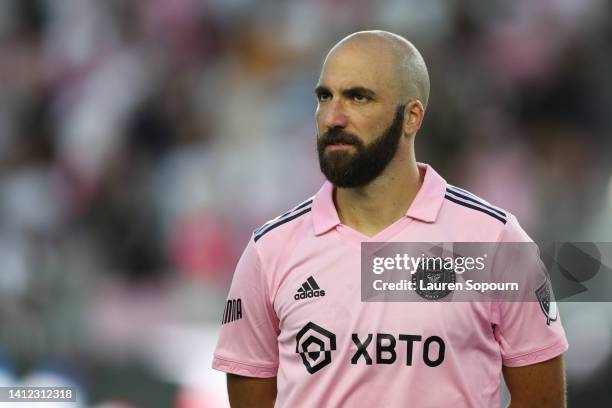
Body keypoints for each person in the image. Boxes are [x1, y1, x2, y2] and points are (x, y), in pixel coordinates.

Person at [212, 30, 568, 407]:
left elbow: (541, 401)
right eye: (324, 96)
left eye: (358, 97)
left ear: (411, 117)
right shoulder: (269, 251)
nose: (333, 117)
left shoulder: (495, 242)